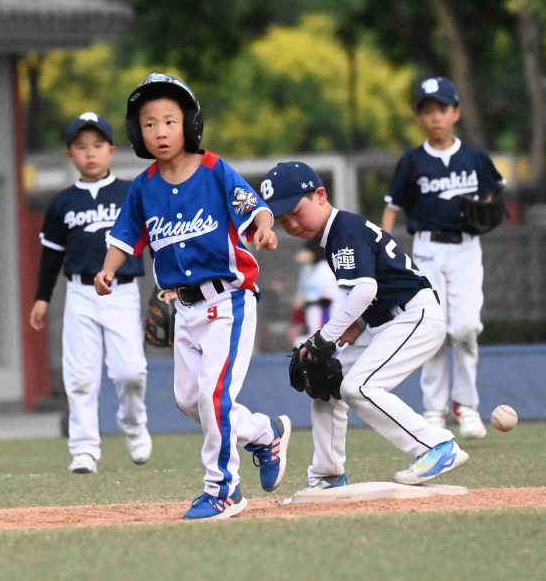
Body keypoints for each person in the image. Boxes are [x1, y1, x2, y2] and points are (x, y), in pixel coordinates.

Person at [95, 73, 290, 521]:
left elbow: (253, 206)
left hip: (229, 301)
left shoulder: (214, 170)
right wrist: (107, 270)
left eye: (169, 120)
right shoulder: (143, 187)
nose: (160, 131)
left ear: (189, 123)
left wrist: (263, 227)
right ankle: (263, 434)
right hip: (184, 307)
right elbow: (124, 236)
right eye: (149, 124)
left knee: (213, 396)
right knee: (189, 400)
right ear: (137, 133)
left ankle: (223, 490)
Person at [261, 160, 469, 489]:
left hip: (414, 316)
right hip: (388, 319)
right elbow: (375, 291)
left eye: (296, 211)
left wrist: (323, 338)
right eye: (283, 220)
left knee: (358, 387)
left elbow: (364, 290)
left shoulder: (344, 230)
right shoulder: (338, 233)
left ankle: (437, 446)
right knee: (325, 382)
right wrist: (350, 330)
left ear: (320, 195)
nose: (292, 224)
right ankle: (328, 474)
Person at [381, 76, 504, 440]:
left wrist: (488, 209)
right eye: (427, 110)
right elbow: (392, 208)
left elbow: (494, 196)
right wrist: (382, 250)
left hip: (466, 248)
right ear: (419, 117)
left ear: (456, 113)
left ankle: (466, 406)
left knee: (465, 328)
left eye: (442, 109)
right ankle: (434, 410)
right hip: (428, 249)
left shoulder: (474, 158)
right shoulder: (412, 162)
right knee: (432, 329)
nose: (435, 117)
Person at [29, 112, 151, 475]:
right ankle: (83, 449)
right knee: (81, 377)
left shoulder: (130, 193)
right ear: (70, 155)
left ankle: (133, 424)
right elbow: (51, 255)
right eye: (81, 147)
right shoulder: (63, 203)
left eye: (98, 145)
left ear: (111, 150)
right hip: (80, 293)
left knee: (130, 372)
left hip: (122, 291)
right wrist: (42, 297)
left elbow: (155, 239)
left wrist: (169, 284)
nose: (90, 153)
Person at [289, 242, 340, 347]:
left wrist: (305, 302)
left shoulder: (324, 267)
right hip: (311, 310)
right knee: (304, 340)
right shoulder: (307, 268)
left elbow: (329, 297)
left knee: (322, 340)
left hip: (325, 310)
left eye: (306, 251)